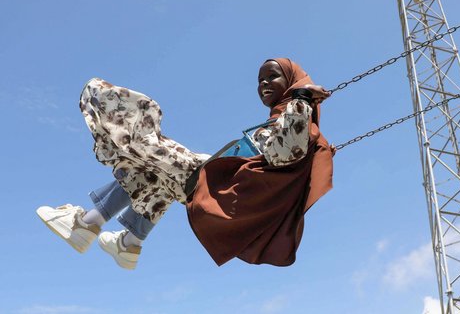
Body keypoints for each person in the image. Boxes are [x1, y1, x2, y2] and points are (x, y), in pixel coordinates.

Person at [37, 58, 334, 270]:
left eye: (273, 77)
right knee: (152, 174)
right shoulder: (291, 114)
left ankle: (91, 225)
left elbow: (287, 153)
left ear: (293, 80)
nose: (265, 84)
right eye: (260, 80)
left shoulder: (298, 110)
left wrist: (301, 97)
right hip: (221, 186)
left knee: (145, 142)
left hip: (218, 184)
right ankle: (127, 241)